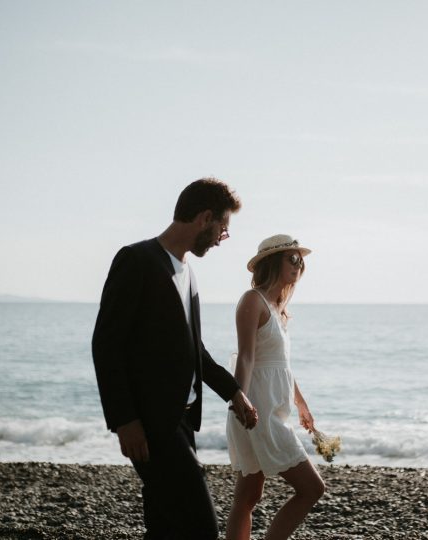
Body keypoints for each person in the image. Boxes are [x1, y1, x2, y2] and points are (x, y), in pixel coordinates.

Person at [92, 178, 258, 540]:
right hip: (151, 424)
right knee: (201, 528)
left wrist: (233, 392)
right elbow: (106, 344)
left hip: (182, 420)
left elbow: (192, 347)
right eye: (223, 230)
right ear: (205, 218)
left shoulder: (188, 273)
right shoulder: (136, 260)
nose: (220, 239)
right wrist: (125, 420)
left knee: (166, 526)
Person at [225, 234, 326, 540]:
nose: (298, 265)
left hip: (273, 409)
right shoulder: (252, 300)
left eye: (301, 260)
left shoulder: (278, 308)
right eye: (291, 258)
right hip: (257, 409)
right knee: (311, 488)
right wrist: (239, 400)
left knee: (248, 496)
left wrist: (301, 404)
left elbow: (281, 365)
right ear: (272, 262)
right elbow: (245, 356)